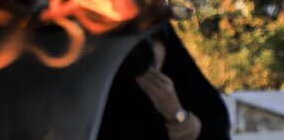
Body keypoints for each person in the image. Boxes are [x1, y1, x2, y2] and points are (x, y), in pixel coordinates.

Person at [97, 23, 231, 140]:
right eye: (135, 46)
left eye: (152, 41)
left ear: (167, 45)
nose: (146, 54)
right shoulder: (97, 98)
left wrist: (175, 112)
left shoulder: (192, 92)